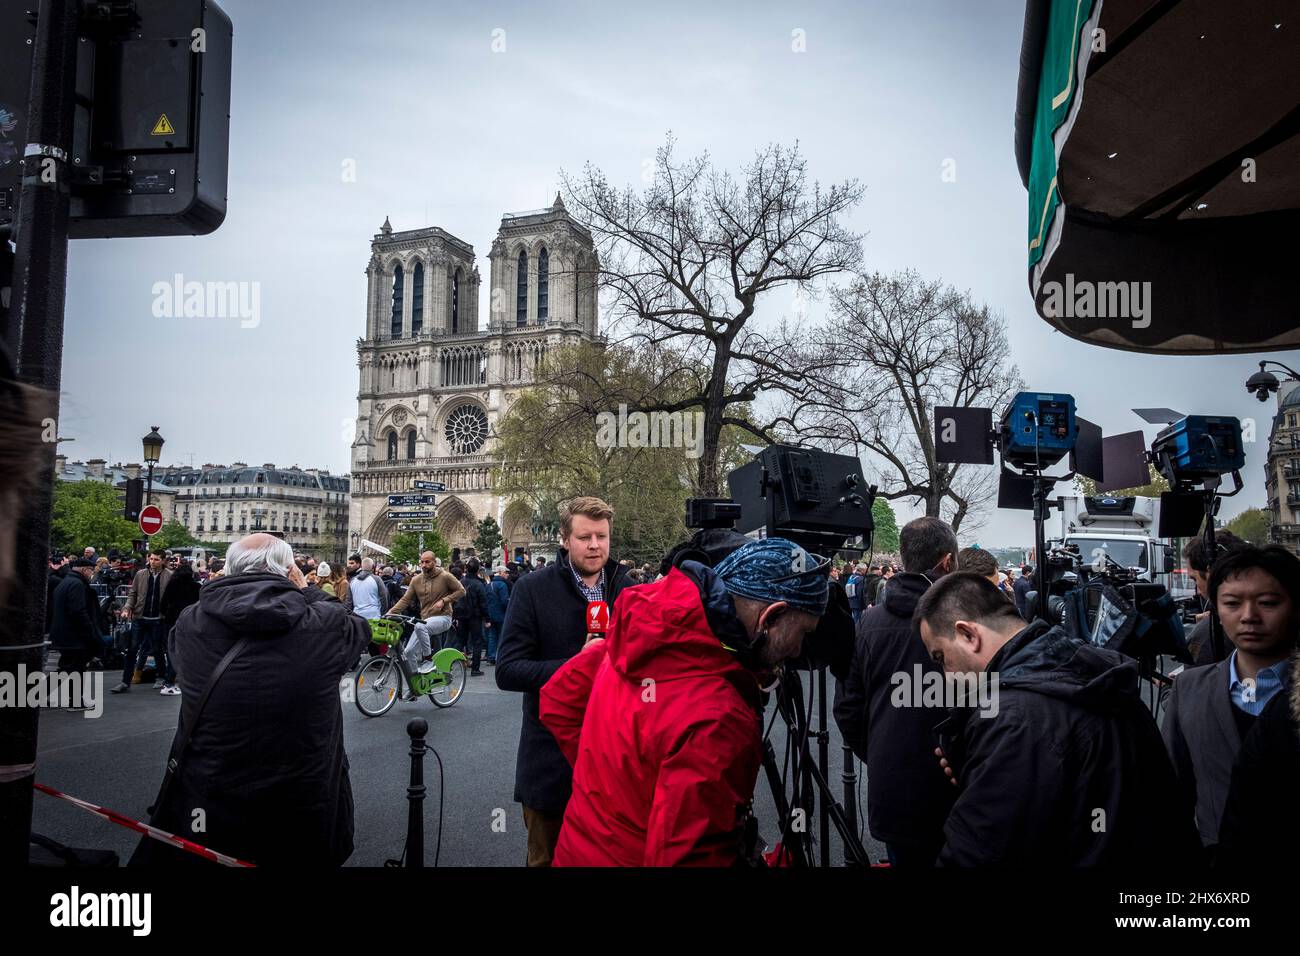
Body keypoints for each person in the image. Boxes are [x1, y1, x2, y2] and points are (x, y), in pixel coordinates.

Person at [540, 537, 829, 866]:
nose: (798, 652)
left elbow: (560, 697)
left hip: (578, 848)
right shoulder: (720, 718)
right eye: (804, 633)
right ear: (770, 618)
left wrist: (610, 787)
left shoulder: (641, 630)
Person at [915, 572, 1200, 865]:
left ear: (969, 635)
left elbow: (979, 851)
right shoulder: (1086, 669)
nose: (946, 675)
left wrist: (986, 772)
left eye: (941, 658)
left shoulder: (1014, 718)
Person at [129, 533, 369, 867]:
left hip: (211, 794)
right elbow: (356, 627)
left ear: (227, 569)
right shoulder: (325, 624)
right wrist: (306, 589)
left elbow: (181, 667)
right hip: (301, 798)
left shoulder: (189, 623)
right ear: (289, 571)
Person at [496, 496, 632, 866]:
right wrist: (576, 664)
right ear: (563, 538)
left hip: (616, 761)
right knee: (546, 859)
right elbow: (508, 671)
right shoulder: (532, 589)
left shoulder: (628, 588)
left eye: (601, 536)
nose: (594, 545)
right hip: (551, 762)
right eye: (585, 536)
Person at [833, 516, 960, 867]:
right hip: (961, 794)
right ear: (947, 562)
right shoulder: (966, 624)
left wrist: (881, 750)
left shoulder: (870, 624)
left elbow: (847, 708)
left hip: (894, 790)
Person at [1161, 545, 1300, 851]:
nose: (1249, 616)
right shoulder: (1189, 689)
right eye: (1232, 603)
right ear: (1217, 609)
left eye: (1267, 602)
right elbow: (1171, 797)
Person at [389, 551, 465, 670]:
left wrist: (444, 601)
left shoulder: (445, 576)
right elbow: (405, 600)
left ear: (434, 562)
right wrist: (390, 613)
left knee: (419, 626)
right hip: (425, 620)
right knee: (408, 652)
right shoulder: (416, 580)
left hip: (443, 617)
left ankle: (428, 659)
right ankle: (417, 684)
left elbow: (461, 591)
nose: (424, 565)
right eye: (422, 562)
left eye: (427, 562)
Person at [111, 549, 172, 694]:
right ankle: (125, 681)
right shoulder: (141, 574)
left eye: (156, 559)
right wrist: (127, 608)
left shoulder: (169, 576)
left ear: (163, 560)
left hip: (158, 618)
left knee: (158, 650)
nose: (153, 562)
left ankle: (161, 677)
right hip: (140, 617)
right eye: (151, 559)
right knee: (132, 650)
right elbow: (133, 593)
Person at [1182, 531, 1246, 664]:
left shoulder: (1207, 632)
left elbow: (1198, 681)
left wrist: (1181, 682)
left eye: (1194, 579)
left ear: (1211, 573)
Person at [49, 559, 105, 683]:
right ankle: (38, 694)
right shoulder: (77, 584)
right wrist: (90, 630)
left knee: (73, 669)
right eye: (91, 571)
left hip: (66, 635)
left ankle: (74, 699)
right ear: (85, 570)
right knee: (71, 669)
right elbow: (78, 611)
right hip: (74, 637)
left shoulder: (66, 582)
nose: (91, 574)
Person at [157, 561, 201, 696]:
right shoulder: (196, 587)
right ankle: (176, 681)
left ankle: (169, 680)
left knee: (172, 651)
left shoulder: (172, 585)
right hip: (189, 621)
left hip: (171, 620)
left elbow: (163, 604)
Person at [454, 557, 490, 675]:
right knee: (477, 642)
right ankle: (475, 668)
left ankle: (450, 663)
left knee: (460, 641)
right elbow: (483, 602)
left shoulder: (461, 582)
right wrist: (487, 618)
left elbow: (455, 600)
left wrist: (455, 616)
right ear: (477, 569)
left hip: (462, 615)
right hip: (475, 615)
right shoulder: (479, 584)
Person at [344, 556, 390, 621]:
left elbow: (349, 601)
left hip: (357, 616)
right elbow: (384, 598)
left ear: (361, 567)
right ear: (373, 567)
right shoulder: (377, 579)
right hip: (374, 616)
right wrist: (382, 613)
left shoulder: (352, 581)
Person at [485, 563, 511, 665]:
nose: (507, 574)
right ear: (500, 573)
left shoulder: (489, 585)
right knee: (501, 636)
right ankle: (500, 656)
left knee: (492, 636)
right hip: (501, 614)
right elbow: (504, 601)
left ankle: (491, 656)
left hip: (491, 614)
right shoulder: (502, 585)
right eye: (506, 572)